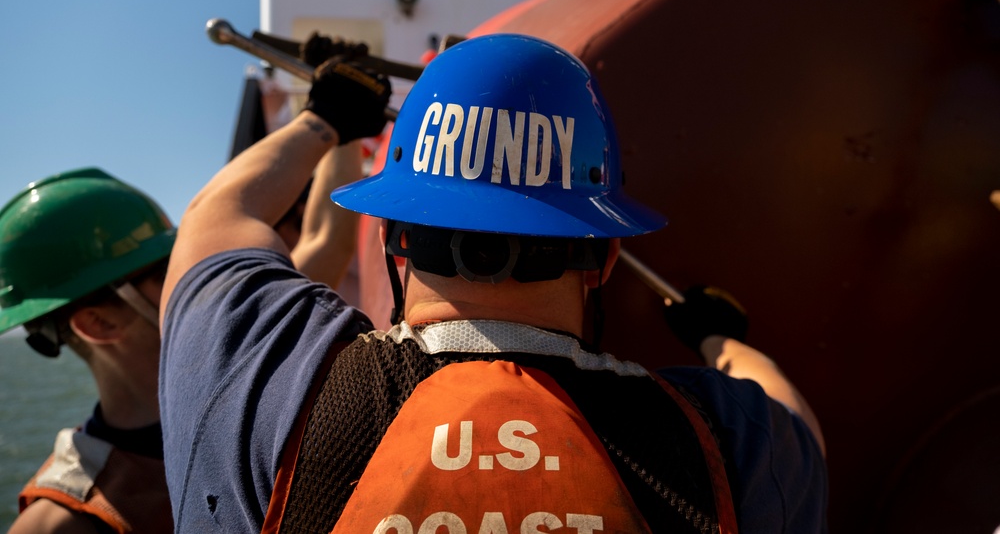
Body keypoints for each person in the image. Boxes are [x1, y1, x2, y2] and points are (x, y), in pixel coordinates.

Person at [159, 34, 827, 533]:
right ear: (609, 257)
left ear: (393, 236)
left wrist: (325, 118)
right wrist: (718, 338)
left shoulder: (262, 378)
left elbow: (216, 220)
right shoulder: (734, 442)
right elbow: (789, 408)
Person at [0, 168, 175, 534]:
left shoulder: (251, 394)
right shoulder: (63, 523)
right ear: (100, 324)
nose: (191, 276)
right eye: (166, 271)